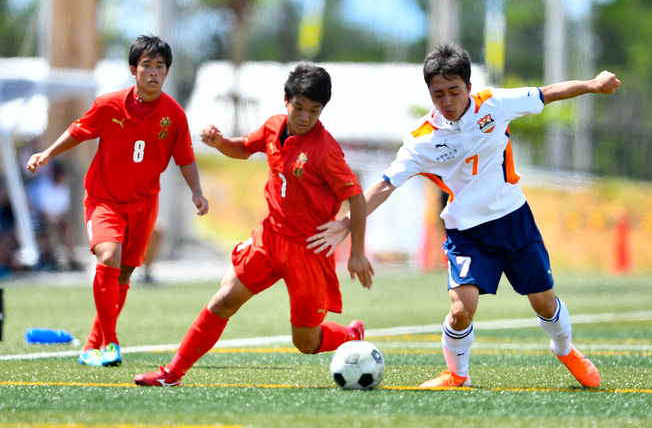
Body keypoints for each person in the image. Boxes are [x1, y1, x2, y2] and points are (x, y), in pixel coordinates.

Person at [307, 43, 620, 389]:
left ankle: (565, 350)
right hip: (466, 232)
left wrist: (592, 84)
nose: (447, 101)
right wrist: (348, 223)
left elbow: (547, 94)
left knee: (544, 303)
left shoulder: (495, 104)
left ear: (468, 88)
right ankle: (457, 374)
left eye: (454, 91)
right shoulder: (420, 140)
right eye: (438, 94)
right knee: (461, 309)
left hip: (514, 218)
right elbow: (384, 186)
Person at [134, 61, 374, 387]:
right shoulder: (274, 127)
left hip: (308, 250)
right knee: (223, 300)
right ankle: (171, 373)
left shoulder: (326, 151)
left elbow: (357, 199)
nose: (305, 117)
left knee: (305, 342)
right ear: (286, 100)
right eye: (299, 108)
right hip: (271, 237)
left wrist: (357, 252)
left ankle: (350, 334)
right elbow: (244, 148)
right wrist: (220, 143)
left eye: (314, 111)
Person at [26, 35, 209, 367]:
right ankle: (111, 342)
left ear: (167, 73)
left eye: (160, 67)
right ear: (133, 70)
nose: (154, 73)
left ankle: (92, 346)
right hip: (104, 200)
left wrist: (196, 191)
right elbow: (78, 130)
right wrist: (47, 153)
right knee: (108, 256)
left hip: (144, 205)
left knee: (123, 276)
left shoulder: (175, 115)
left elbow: (185, 158)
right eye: (147, 66)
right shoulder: (109, 104)